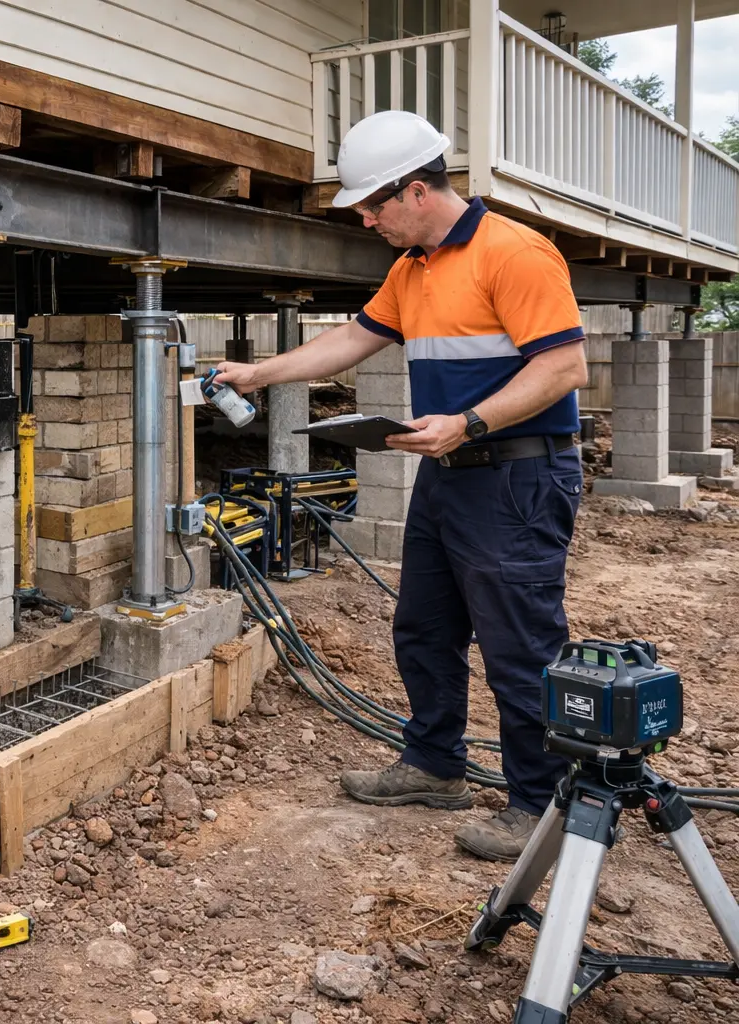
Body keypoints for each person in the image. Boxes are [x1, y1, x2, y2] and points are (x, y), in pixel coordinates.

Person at [211, 111, 589, 861]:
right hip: (449, 475)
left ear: (416, 191)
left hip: (516, 474)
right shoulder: (413, 267)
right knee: (424, 626)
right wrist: (259, 372)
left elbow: (563, 368)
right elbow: (354, 338)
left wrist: (468, 423)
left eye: (372, 205)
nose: (365, 219)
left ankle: (540, 805)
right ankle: (434, 765)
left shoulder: (514, 253)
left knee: (519, 644)